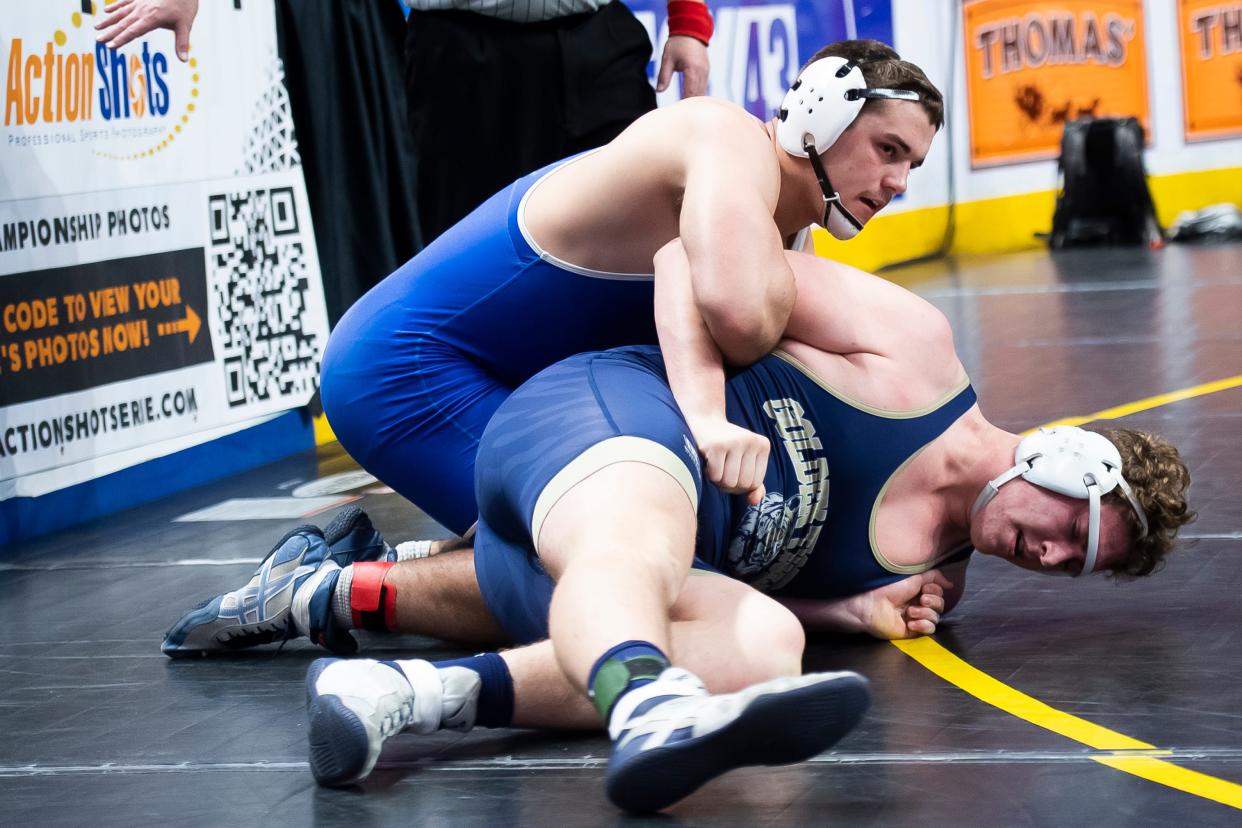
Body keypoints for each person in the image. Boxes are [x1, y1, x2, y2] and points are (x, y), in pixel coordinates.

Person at [163, 247, 1194, 812]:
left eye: (1070, 570)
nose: (1048, 557)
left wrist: (840, 607)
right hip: (606, 419)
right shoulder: (913, 356)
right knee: (646, 536)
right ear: (1066, 460)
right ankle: (646, 701)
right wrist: (706, 418)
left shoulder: (931, 577)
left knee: (766, 646)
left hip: (600, 557)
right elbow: (685, 260)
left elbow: (757, 598)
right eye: (1071, 531)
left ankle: (386, 674)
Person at [320, 40, 944, 536]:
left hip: (507, 378)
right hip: (404, 370)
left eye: (910, 164)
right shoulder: (723, 138)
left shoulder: (785, 237)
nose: (897, 183)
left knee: (649, 538)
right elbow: (741, 316)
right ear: (819, 114)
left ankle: (364, 564)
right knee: (598, 555)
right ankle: (324, 590)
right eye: (887, 149)